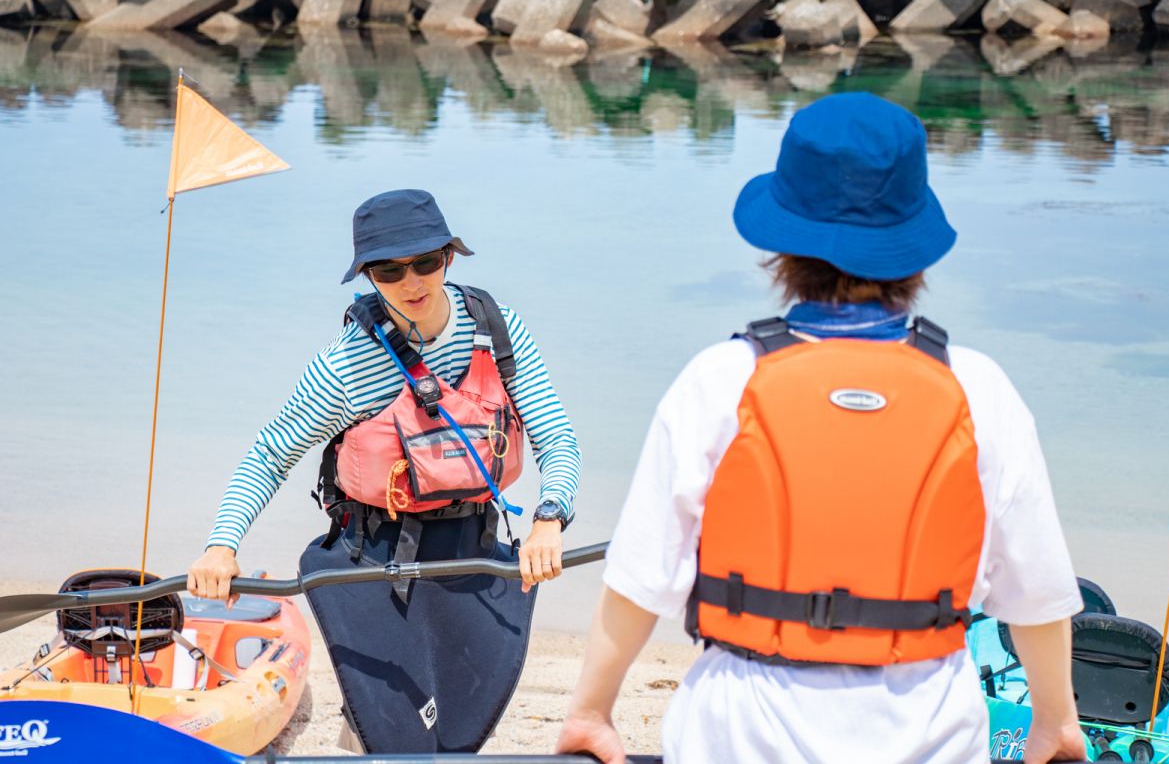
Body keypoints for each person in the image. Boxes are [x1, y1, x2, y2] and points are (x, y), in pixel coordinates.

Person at [555, 93, 1087, 764]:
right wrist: (1055, 721)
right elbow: (1038, 592)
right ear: (914, 249)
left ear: (781, 246)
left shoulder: (720, 379)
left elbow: (640, 576)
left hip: (743, 730)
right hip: (930, 731)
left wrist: (591, 710)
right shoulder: (980, 388)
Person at [187, 189, 581, 753]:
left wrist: (550, 516)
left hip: (472, 546)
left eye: (426, 262)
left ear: (449, 257)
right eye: (390, 271)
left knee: (459, 728)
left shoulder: (497, 330)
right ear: (368, 275)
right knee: (390, 728)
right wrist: (222, 545)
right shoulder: (346, 366)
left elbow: (556, 437)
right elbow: (270, 454)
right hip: (373, 557)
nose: (413, 282)